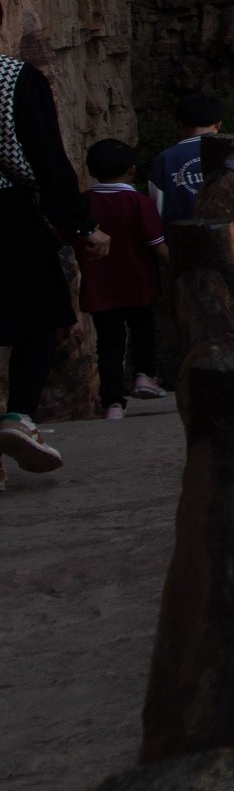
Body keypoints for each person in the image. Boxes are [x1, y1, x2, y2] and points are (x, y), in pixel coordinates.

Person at [0, 35, 103, 475]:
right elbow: (45, 158)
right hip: (5, 215)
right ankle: (19, 416)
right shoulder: (12, 77)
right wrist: (80, 224)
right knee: (39, 314)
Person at [80, 137, 168, 418]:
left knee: (109, 343)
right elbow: (157, 244)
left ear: (91, 170)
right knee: (143, 327)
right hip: (138, 281)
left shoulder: (83, 204)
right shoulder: (138, 202)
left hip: (99, 284)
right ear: (131, 170)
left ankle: (113, 402)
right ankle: (144, 375)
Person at [153, 89, 229, 225]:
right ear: (218, 123)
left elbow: (155, 208)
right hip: (230, 237)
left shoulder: (166, 159)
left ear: (180, 123)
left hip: (179, 240)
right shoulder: (233, 152)